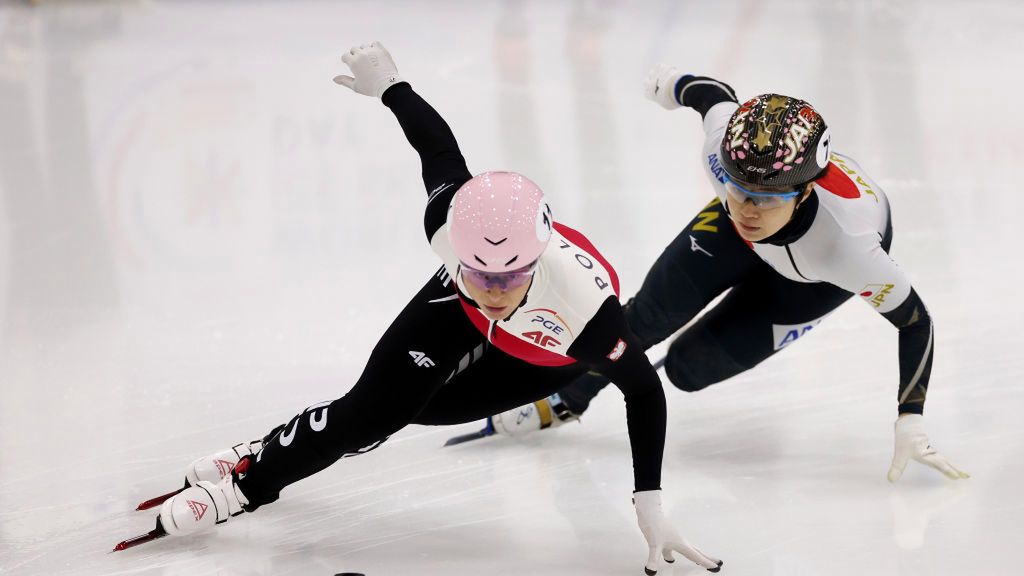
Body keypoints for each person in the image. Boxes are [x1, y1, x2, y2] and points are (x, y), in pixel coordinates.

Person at [130, 44, 722, 575]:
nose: (493, 286)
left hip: (543, 351)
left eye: (511, 274)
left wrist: (649, 501)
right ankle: (250, 482)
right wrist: (390, 85)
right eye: (480, 269)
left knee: (414, 413)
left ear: (537, 260)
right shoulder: (449, 222)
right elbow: (438, 147)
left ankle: (272, 453)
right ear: (455, 249)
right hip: (452, 313)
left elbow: (644, 391)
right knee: (370, 414)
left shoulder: (588, 316)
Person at [488, 64, 968, 484]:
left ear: (803, 193)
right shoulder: (725, 156)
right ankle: (567, 398)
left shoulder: (851, 249)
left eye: (766, 197)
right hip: (730, 241)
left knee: (687, 370)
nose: (748, 209)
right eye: (737, 189)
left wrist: (911, 418)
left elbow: (915, 320)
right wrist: (671, 83)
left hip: (812, 281)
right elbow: (711, 92)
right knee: (647, 316)